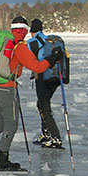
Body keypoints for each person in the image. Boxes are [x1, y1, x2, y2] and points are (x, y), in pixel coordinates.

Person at [0, 16, 65, 171]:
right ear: (24, 30)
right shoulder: (18, 46)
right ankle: (3, 158)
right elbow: (37, 67)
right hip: (6, 88)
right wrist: (53, 58)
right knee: (11, 123)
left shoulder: (3, 42)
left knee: (1, 121)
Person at [27, 18, 67, 149]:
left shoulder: (31, 42)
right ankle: (46, 134)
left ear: (32, 31)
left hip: (43, 76)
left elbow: (28, 59)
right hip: (55, 77)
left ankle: (55, 138)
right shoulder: (49, 40)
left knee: (44, 107)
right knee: (42, 104)